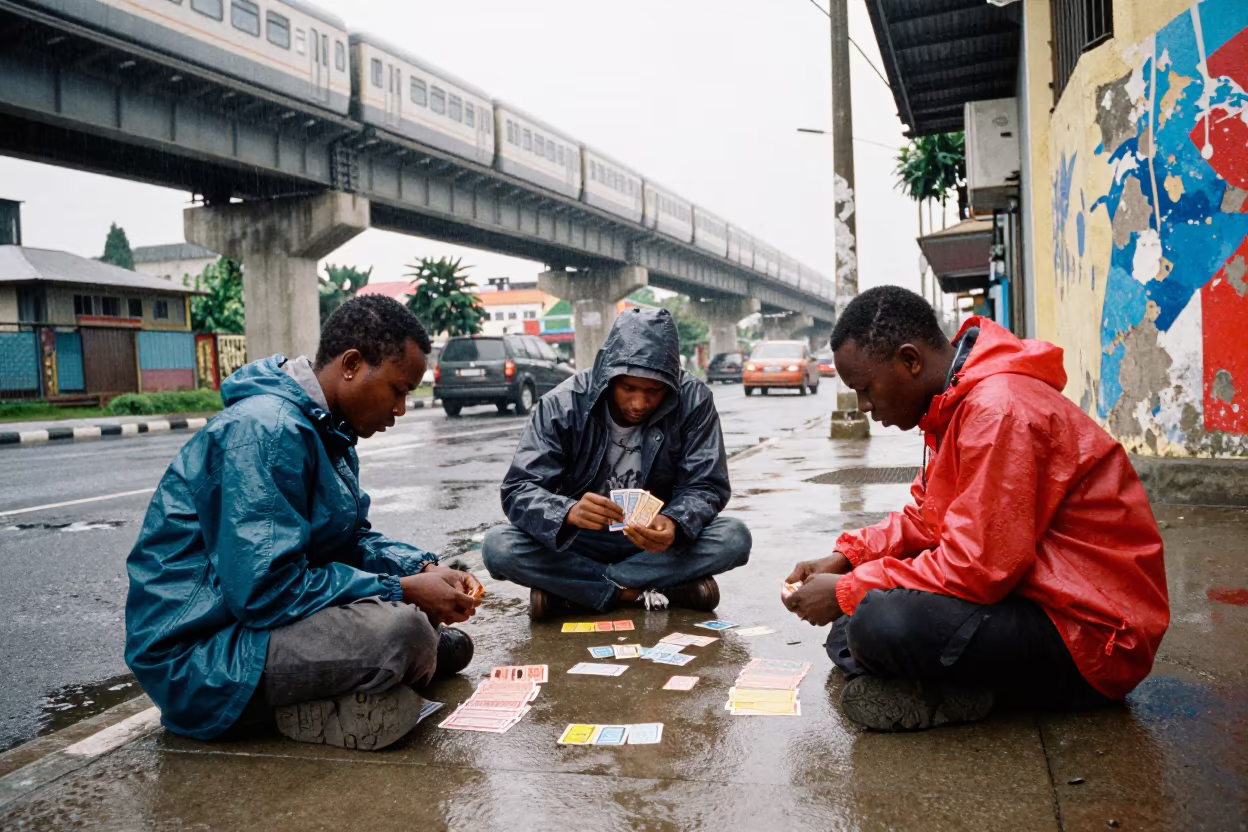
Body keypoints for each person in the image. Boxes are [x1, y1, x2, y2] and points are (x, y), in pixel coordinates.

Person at [784, 286, 1169, 731]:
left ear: (910, 361)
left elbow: (977, 569)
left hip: (1093, 639)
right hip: (1033, 599)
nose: (864, 407)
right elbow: (927, 519)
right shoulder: (954, 405)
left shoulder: (999, 411)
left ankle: (957, 691)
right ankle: (949, 687)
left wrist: (848, 588)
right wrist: (848, 558)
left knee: (875, 621)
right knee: (851, 624)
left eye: (866, 389)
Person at [125, 296, 482, 751]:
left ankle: (395, 663)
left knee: (429, 630)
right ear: (351, 364)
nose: (401, 410)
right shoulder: (267, 431)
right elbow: (265, 591)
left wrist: (423, 568)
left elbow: (348, 540)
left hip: (251, 629)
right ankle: (338, 691)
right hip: (200, 657)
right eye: (398, 390)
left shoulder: (327, 430)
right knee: (406, 631)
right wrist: (404, 590)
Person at [483, 307, 751, 620]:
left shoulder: (693, 399)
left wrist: (676, 522)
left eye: (653, 391)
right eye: (629, 388)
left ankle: (577, 591)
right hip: (579, 540)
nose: (639, 404)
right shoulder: (562, 403)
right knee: (498, 546)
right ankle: (639, 591)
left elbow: (706, 484)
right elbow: (519, 489)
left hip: (652, 543)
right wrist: (567, 512)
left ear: (671, 382)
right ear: (609, 377)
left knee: (734, 537)